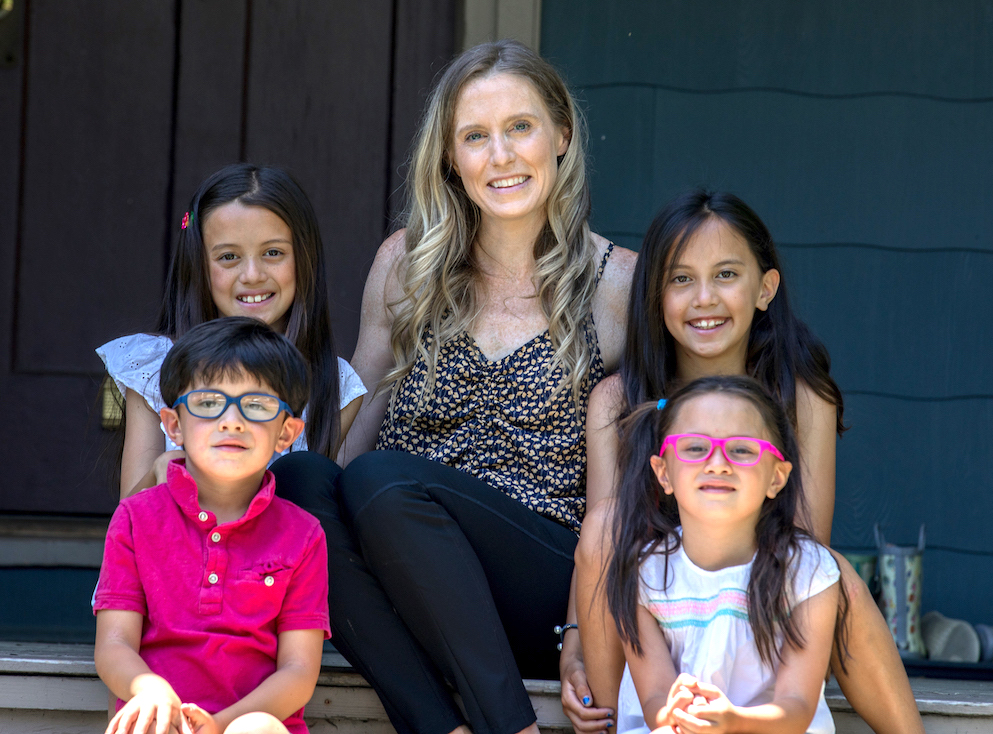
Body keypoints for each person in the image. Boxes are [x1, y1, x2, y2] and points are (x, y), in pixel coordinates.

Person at [272, 39, 635, 734]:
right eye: (475, 137)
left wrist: (588, 630)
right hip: (405, 571)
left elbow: (624, 490)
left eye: (519, 128)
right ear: (449, 156)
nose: (500, 157)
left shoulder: (619, 283)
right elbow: (360, 410)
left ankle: (511, 725)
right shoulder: (406, 264)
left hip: (543, 583)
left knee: (383, 482)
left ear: (561, 133)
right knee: (301, 485)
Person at [570, 190, 924, 733]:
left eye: (726, 275)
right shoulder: (619, 401)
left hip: (763, 605)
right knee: (599, 529)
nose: (704, 298)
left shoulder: (802, 395)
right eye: (680, 279)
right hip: (653, 614)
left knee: (839, 576)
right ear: (654, 297)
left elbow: (804, 545)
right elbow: (599, 553)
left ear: (765, 289)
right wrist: (572, 644)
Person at [93, 317, 331, 734]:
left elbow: (298, 671)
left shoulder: (304, 535)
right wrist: (149, 690)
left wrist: (220, 725)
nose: (231, 421)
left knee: (256, 729)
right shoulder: (135, 519)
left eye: (256, 406)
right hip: (160, 716)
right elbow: (113, 644)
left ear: (287, 433)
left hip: (251, 723)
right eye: (207, 403)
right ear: (173, 425)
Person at [97, 163, 366, 499]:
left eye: (273, 253)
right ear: (198, 265)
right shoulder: (155, 366)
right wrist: (163, 470)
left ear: (305, 259)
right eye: (228, 256)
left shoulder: (333, 383)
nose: (252, 274)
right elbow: (131, 517)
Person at [608, 376, 843, 734]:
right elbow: (655, 698)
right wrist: (681, 715)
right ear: (663, 473)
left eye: (742, 449)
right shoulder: (644, 574)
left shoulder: (808, 572)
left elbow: (796, 707)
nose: (717, 463)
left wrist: (732, 722)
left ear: (777, 478)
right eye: (694, 447)